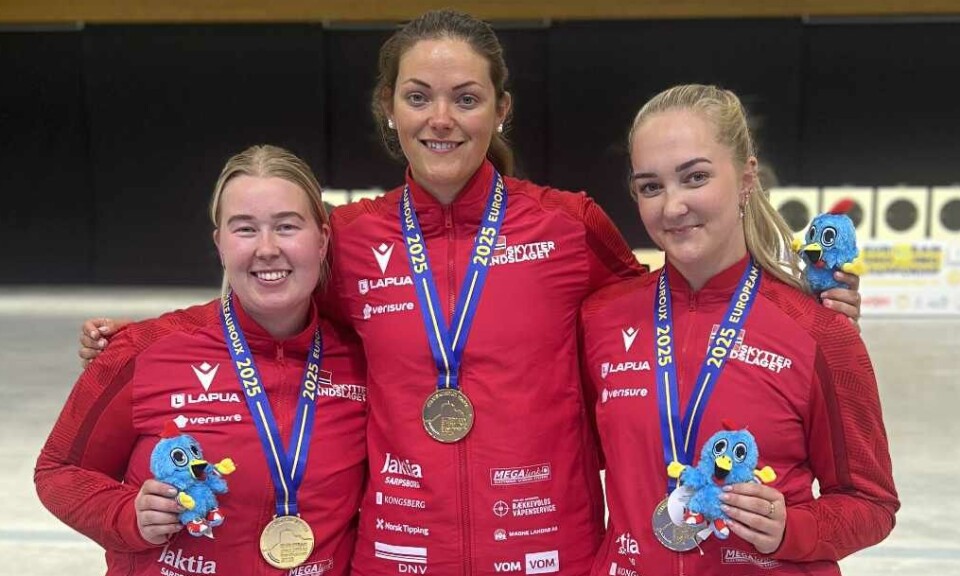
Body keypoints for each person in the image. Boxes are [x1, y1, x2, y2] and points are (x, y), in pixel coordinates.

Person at [75, 11, 864, 575]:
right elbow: (265, 314)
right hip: (399, 553)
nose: (441, 118)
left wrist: (799, 306)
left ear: (500, 109)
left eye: (466, 97)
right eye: (418, 96)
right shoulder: (351, 239)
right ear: (391, 109)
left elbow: (671, 314)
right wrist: (139, 338)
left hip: (549, 551)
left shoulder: (566, 226)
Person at [579, 84, 898, 576]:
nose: (672, 206)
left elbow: (870, 501)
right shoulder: (601, 318)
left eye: (696, 177)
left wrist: (792, 529)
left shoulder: (819, 331)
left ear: (747, 176)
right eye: (650, 186)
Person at [38, 145, 367, 575]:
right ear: (220, 243)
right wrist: (127, 515)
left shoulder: (362, 358)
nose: (267, 249)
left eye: (287, 227)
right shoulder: (144, 350)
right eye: (245, 229)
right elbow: (58, 471)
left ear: (322, 239)